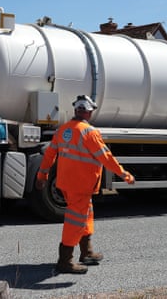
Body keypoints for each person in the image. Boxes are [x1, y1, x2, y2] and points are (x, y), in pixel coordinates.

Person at [36, 95, 135, 274]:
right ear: (88, 113)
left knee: (86, 215)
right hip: (80, 185)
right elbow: (106, 157)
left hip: (66, 183)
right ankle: (65, 261)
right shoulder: (89, 133)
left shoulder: (62, 130)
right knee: (75, 221)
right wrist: (124, 174)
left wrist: (42, 175)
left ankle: (87, 252)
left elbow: (50, 155)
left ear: (76, 111)